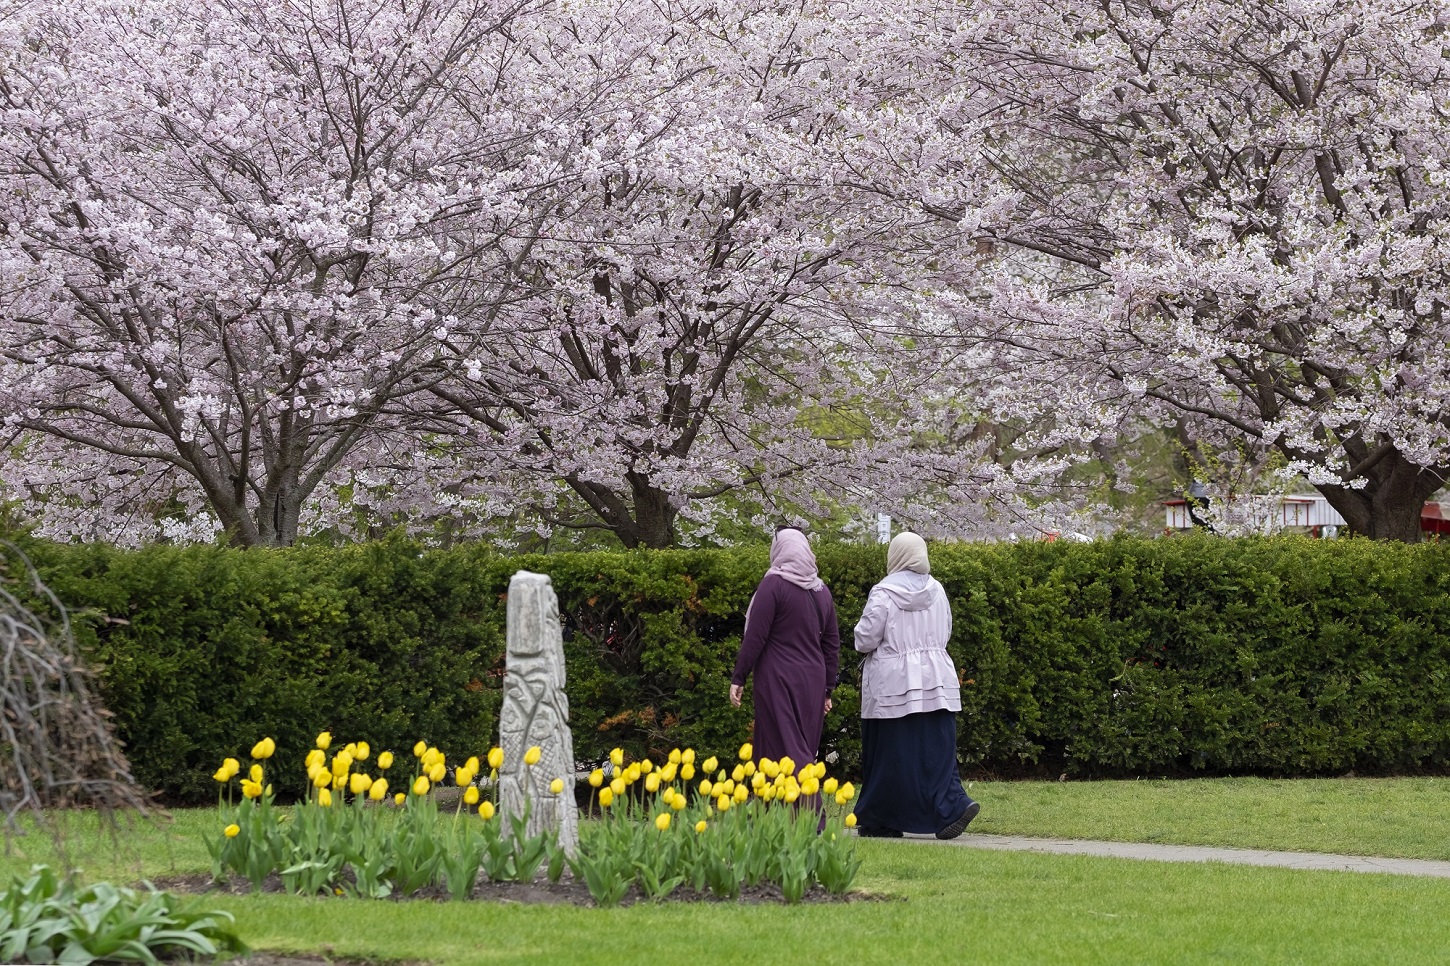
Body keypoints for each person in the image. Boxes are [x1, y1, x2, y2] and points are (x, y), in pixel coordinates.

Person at [852, 532, 978, 839]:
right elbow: (945, 630)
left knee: (891, 754)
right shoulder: (937, 589)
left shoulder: (883, 593)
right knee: (936, 750)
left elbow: (865, 639)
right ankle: (952, 805)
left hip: (893, 683)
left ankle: (883, 817)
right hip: (935, 679)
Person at [729, 528, 840, 767]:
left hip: (777, 677)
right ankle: (784, 804)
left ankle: (807, 802)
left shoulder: (774, 585)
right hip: (813, 680)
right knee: (802, 748)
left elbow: (755, 637)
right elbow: (831, 645)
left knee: (783, 750)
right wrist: (827, 690)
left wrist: (739, 677)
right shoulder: (822, 592)